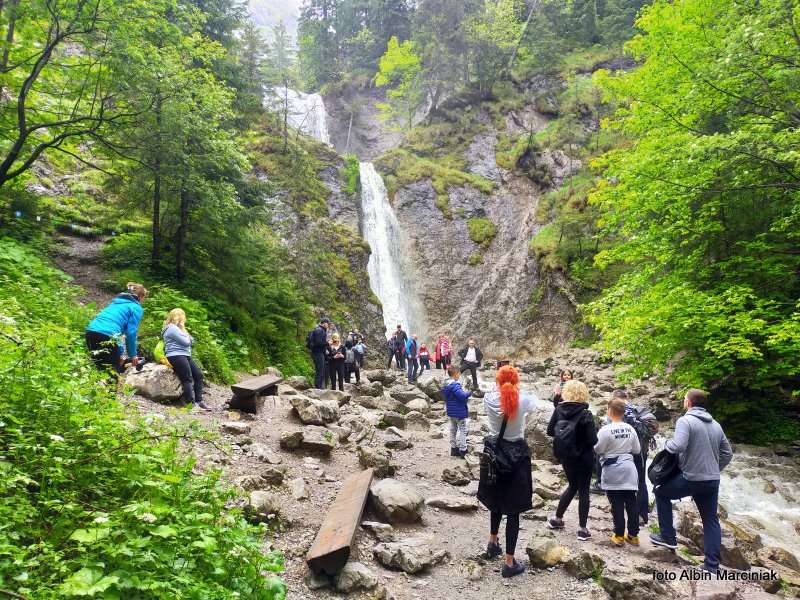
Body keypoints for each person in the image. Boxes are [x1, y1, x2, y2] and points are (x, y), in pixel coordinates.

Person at [650, 389, 733, 573]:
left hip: (692, 477)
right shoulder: (716, 425)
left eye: (684, 399)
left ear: (689, 403)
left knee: (661, 493)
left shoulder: (685, 421)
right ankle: (711, 566)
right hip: (712, 480)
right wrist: (714, 468)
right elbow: (728, 453)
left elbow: (678, 445)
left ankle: (668, 537)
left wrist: (666, 444)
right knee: (710, 519)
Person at [478, 365, 538, 578]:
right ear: (516, 380)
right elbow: (537, 404)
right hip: (516, 455)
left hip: (494, 452)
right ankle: (509, 562)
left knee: (496, 500)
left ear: (497, 380)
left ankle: (492, 542)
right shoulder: (523, 401)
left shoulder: (488, 398)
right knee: (513, 509)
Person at [547, 379, 598, 541]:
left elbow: (550, 431)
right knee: (583, 490)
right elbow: (593, 440)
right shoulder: (586, 414)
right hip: (584, 458)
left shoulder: (559, 410)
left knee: (572, 486)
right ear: (583, 394)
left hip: (566, 456)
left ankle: (557, 519)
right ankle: (582, 529)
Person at [598, 390, 659, 524]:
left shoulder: (615, 411)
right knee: (641, 483)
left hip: (621, 456)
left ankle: (619, 515)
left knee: (619, 487)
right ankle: (642, 515)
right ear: (627, 397)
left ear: (614, 399)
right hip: (640, 452)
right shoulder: (637, 411)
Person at [594, 397, 641, 546]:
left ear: (609, 411)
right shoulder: (631, 428)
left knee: (617, 504)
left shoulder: (605, 430)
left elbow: (598, 449)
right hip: (629, 469)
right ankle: (633, 535)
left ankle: (619, 535)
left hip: (612, 470)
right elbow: (637, 450)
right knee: (631, 502)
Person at [85, 282, 148, 373]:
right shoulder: (136, 307)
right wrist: (133, 355)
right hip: (107, 335)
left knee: (100, 368)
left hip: (91, 332)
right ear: (140, 297)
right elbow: (131, 333)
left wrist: (121, 354)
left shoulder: (116, 303)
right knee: (112, 371)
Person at [162, 308, 209, 410]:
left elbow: (192, 341)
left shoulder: (179, 329)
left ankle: (199, 401)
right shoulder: (171, 328)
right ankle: (190, 405)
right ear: (179, 317)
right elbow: (187, 342)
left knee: (198, 375)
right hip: (176, 355)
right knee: (187, 378)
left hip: (184, 355)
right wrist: (186, 335)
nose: (184, 319)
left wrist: (186, 335)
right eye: (183, 316)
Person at [442, 365, 472, 457]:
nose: (459, 375)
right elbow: (462, 396)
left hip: (451, 412)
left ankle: (453, 449)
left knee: (453, 430)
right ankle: (463, 450)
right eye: (459, 373)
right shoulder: (455, 385)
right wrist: (470, 392)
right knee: (463, 430)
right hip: (459, 413)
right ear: (455, 374)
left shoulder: (446, 385)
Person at [307, 318, 330, 389]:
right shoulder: (319, 330)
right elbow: (318, 342)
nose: (328, 325)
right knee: (320, 370)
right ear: (324, 323)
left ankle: (319, 386)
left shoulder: (319, 330)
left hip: (318, 352)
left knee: (320, 369)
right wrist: (327, 343)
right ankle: (318, 387)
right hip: (318, 353)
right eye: (327, 323)